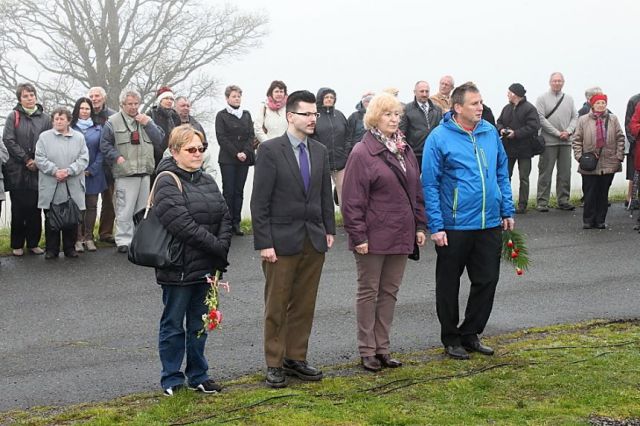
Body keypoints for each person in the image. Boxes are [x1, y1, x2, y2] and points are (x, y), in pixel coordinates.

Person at [422, 82, 515, 360]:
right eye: (474, 103)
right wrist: (436, 226)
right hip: (455, 225)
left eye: (481, 102)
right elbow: (430, 184)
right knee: (449, 283)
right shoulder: (439, 138)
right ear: (457, 107)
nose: (480, 107)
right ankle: (451, 338)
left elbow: (501, 172)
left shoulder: (489, 133)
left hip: (488, 223)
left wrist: (506, 209)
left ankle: (471, 332)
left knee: (487, 280)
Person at [250, 90, 336, 388]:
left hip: (313, 240)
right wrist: (264, 242)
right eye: (307, 114)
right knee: (277, 305)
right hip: (280, 242)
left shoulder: (320, 151)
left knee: (304, 304)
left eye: (315, 114)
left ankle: (295, 358)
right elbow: (259, 202)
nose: (313, 118)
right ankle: (274, 363)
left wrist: (329, 228)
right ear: (290, 116)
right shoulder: (271, 151)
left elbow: (325, 194)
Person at [341, 93, 427, 372]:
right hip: (373, 236)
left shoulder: (404, 148)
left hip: (401, 233)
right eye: (388, 114)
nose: (394, 119)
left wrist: (420, 225)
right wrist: (358, 237)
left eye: (397, 114)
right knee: (369, 292)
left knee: (389, 292)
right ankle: (367, 350)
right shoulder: (362, 152)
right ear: (374, 117)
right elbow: (351, 200)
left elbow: (416, 190)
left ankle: (383, 348)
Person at [153, 125, 232, 396]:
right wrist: (218, 247)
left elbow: (224, 215)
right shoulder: (166, 180)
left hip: (205, 268)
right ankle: (171, 378)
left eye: (201, 148)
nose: (198, 154)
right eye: (191, 149)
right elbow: (181, 225)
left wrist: (220, 248)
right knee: (173, 325)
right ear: (175, 151)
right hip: (178, 268)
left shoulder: (207, 180)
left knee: (199, 325)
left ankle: (198, 374)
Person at [100, 87, 164, 253]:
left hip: (145, 172)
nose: (133, 107)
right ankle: (123, 240)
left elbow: (160, 139)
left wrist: (148, 124)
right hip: (125, 172)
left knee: (142, 210)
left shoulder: (146, 120)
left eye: (136, 103)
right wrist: (117, 158)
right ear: (122, 104)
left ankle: (139, 239)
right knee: (125, 209)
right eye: (130, 104)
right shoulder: (112, 121)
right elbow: (104, 144)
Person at [2, 83, 51, 257]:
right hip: (17, 170)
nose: (29, 98)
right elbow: (8, 140)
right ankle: (16, 244)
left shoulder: (45, 118)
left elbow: (48, 141)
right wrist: (26, 159)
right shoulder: (13, 116)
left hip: (38, 170)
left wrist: (37, 161)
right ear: (19, 99)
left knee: (35, 209)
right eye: (25, 96)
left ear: (36, 97)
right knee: (18, 209)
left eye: (31, 95)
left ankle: (33, 243)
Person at [34, 107, 89, 259]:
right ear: (52, 121)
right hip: (51, 183)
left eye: (62, 119)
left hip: (72, 183)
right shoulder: (44, 137)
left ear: (69, 120)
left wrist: (69, 171)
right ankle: (52, 249)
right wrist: (55, 171)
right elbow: (39, 158)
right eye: (56, 119)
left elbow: (84, 158)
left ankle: (69, 248)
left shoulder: (79, 137)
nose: (59, 121)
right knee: (51, 217)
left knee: (71, 218)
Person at [572, 94, 625, 229]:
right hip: (589, 163)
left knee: (603, 193)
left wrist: (619, 156)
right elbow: (577, 140)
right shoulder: (583, 120)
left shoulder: (613, 119)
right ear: (592, 104)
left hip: (609, 162)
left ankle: (600, 220)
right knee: (589, 193)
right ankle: (588, 220)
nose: (601, 105)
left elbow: (620, 137)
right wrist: (579, 157)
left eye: (603, 102)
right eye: (598, 103)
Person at [215, 85, 255, 236]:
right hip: (228, 159)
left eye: (238, 96)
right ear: (227, 98)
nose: (237, 98)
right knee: (228, 191)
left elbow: (251, 135)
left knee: (239, 191)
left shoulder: (246, 114)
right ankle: (227, 222)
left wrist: (245, 152)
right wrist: (236, 153)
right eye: (234, 96)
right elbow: (221, 137)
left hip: (244, 158)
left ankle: (236, 223)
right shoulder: (221, 115)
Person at [535, 72, 578, 212]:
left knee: (565, 173)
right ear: (550, 82)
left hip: (566, 141)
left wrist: (569, 131)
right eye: (555, 81)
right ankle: (542, 202)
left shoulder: (569, 99)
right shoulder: (542, 98)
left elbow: (575, 117)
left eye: (560, 81)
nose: (557, 83)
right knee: (545, 172)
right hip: (549, 142)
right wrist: (557, 133)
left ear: (563, 82)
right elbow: (540, 118)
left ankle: (563, 200)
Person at [496, 83, 541, 214]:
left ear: (515, 94)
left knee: (524, 178)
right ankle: (505, 203)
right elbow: (499, 122)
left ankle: (522, 205)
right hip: (508, 149)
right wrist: (502, 129)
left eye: (509, 92)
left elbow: (533, 126)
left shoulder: (529, 108)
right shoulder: (506, 108)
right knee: (505, 176)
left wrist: (516, 133)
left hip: (524, 149)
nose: (507, 95)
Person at [71, 97, 107, 252]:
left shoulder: (99, 128)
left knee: (91, 206)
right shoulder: (70, 128)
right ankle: (77, 238)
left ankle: (89, 237)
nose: (84, 111)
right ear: (77, 110)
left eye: (87, 109)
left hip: (94, 173)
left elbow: (102, 150)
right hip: (75, 173)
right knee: (78, 207)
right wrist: (76, 169)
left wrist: (92, 169)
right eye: (82, 108)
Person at [88, 86, 117, 244]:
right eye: (91, 96)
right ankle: (86, 234)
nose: (94, 98)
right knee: (89, 202)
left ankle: (105, 233)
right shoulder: (85, 114)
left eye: (97, 95)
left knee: (109, 201)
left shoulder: (113, 116)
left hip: (108, 165)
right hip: (90, 164)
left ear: (103, 98)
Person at [314, 87, 349, 206]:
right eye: (326, 97)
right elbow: (310, 137)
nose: (329, 100)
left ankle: (348, 221)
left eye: (331, 97)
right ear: (320, 99)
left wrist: (346, 153)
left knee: (344, 192)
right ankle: (325, 221)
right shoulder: (314, 116)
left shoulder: (339, 115)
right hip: (321, 161)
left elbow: (347, 136)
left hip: (341, 162)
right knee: (322, 193)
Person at [399, 80, 443, 167]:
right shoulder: (406, 110)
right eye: (421, 91)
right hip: (416, 155)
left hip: (434, 153)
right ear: (415, 92)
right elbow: (401, 133)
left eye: (427, 91)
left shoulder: (437, 110)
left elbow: (441, 131)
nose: (424, 94)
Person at [148, 86, 179, 167]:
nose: (169, 101)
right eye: (166, 98)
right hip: (155, 156)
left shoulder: (175, 116)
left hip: (173, 155)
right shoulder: (151, 114)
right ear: (160, 100)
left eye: (171, 99)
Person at [254, 80, 288, 145]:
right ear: (271, 93)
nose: (279, 94)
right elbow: (257, 128)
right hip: (268, 147)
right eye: (276, 91)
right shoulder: (264, 107)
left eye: (281, 92)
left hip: (287, 147)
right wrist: (269, 144)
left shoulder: (289, 107)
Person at [624, 92, 640, 206]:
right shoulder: (634, 100)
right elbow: (629, 123)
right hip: (636, 143)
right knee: (634, 172)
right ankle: (630, 199)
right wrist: (633, 141)